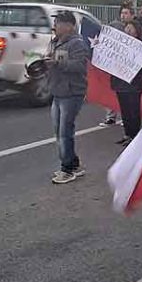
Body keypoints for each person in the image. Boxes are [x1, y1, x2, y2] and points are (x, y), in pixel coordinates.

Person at [47, 11, 89, 184]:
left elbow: (80, 66)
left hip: (72, 93)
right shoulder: (53, 42)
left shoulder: (77, 44)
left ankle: (67, 169)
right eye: (55, 22)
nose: (55, 26)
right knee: (59, 131)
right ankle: (74, 163)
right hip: (57, 91)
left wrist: (57, 63)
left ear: (69, 26)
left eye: (58, 23)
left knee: (64, 132)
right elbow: (49, 61)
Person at [111, 20, 142, 146]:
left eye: (131, 28)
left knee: (133, 112)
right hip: (120, 83)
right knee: (124, 111)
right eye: (126, 28)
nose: (128, 31)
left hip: (134, 84)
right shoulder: (118, 44)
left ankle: (135, 136)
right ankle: (127, 134)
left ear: (137, 31)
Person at [100, 6, 134, 127]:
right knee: (111, 90)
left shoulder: (135, 28)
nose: (123, 15)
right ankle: (110, 117)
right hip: (114, 64)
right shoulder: (114, 26)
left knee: (126, 94)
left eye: (126, 13)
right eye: (122, 13)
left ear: (132, 15)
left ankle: (127, 118)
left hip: (128, 66)